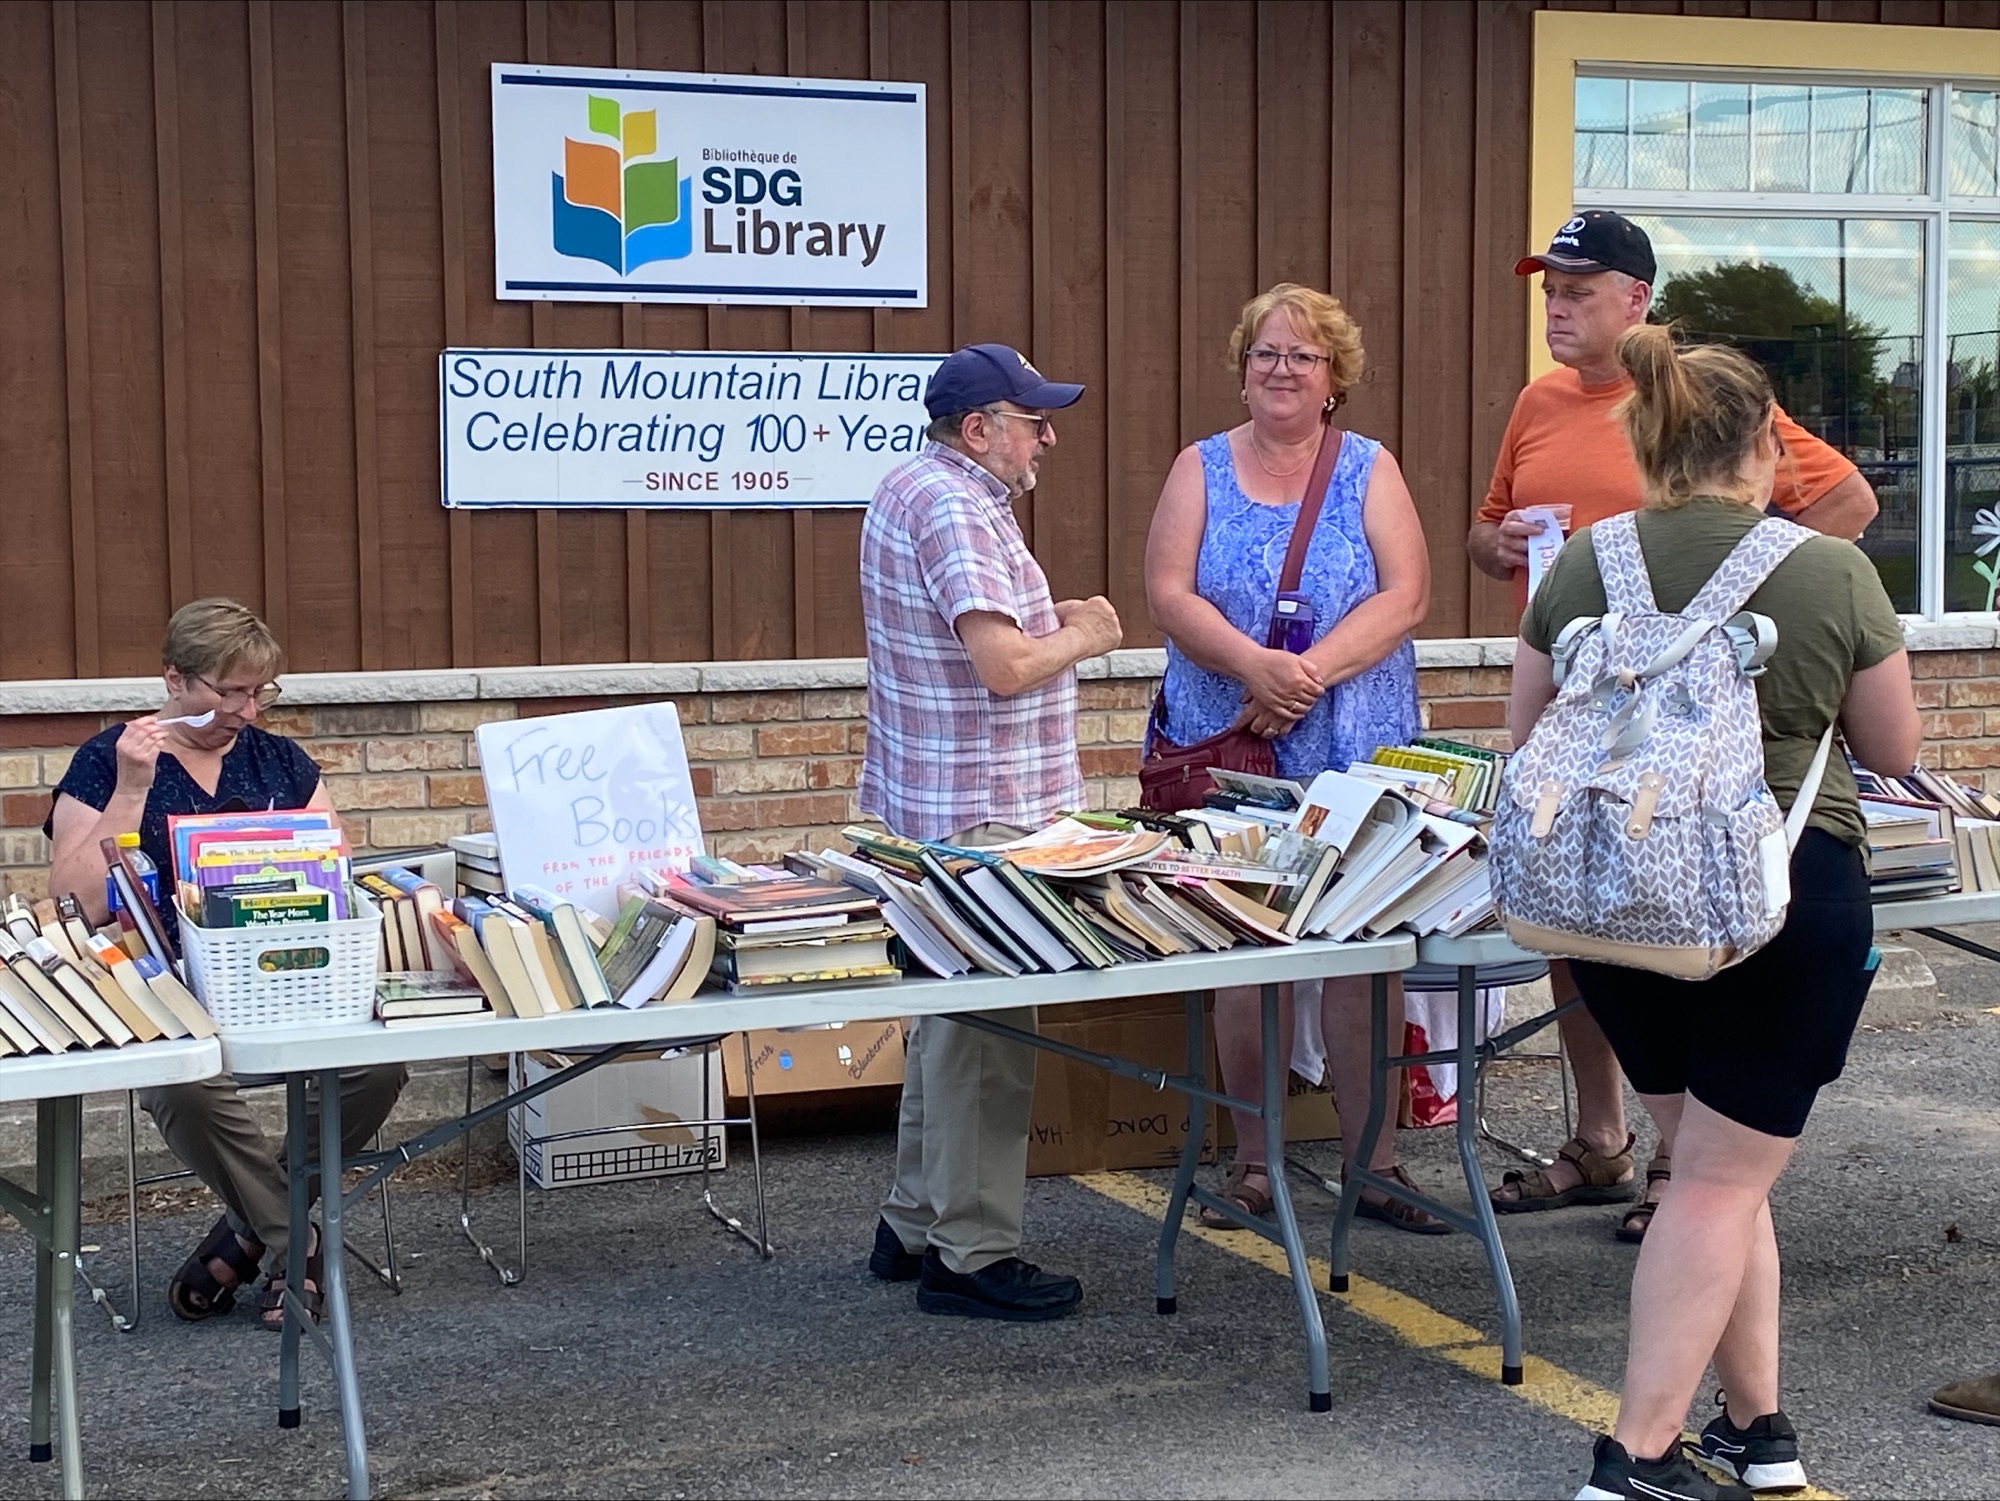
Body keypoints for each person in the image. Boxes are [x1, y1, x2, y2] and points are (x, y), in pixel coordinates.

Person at [1510, 326, 1919, 1500]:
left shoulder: (1585, 563)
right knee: (1720, 1181)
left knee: (1711, 1163)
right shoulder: (1826, 568)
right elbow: (1889, 748)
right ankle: (1631, 1458)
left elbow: (1526, 735)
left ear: (1645, 438)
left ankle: (1760, 1431)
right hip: (1778, 899)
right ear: (1761, 444)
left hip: (1620, 906)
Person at [1469, 211, 1881, 1242]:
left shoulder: (1700, 403)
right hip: (1588, 731)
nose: (1554, 303)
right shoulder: (1536, 401)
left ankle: (1675, 1164)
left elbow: (1847, 503)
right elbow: (1484, 536)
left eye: (1575, 286)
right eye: (1545, 288)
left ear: (1634, 301)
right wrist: (1502, 541)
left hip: (1702, 748)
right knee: (1588, 921)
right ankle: (1603, 1138)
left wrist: (1749, 585)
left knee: (1690, 917)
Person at [1144, 284, 1439, 1233]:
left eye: (1301, 357)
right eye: (1265, 353)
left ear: (1334, 377)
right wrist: (1254, 668)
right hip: (1234, 740)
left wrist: (1302, 675)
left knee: (1365, 952)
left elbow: (1407, 594)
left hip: (1352, 737)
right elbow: (1167, 592)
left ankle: (1376, 1163)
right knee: (1246, 948)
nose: (1280, 370)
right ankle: (1253, 1162)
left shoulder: (1369, 467)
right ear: (1243, 367)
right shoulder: (1199, 466)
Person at [44, 598, 408, 1330]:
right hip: (166, 987)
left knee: (380, 1067)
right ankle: (295, 1242)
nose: (246, 708)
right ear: (175, 680)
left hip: (286, 973)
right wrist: (134, 789)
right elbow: (74, 902)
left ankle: (247, 1229)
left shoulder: (280, 760)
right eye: (229, 691)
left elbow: (332, 879)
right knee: (185, 1087)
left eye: (261, 691)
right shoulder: (106, 759)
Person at [859, 343, 1122, 1320]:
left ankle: (913, 1223)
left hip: (931, 802)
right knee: (989, 1033)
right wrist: (1088, 634)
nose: (1047, 436)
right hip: (980, 812)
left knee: (944, 1017)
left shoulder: (909, 487)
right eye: (1032, 419)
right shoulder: (960, 507)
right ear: (979, 430)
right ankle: (969, 1255)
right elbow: (1003, 665)